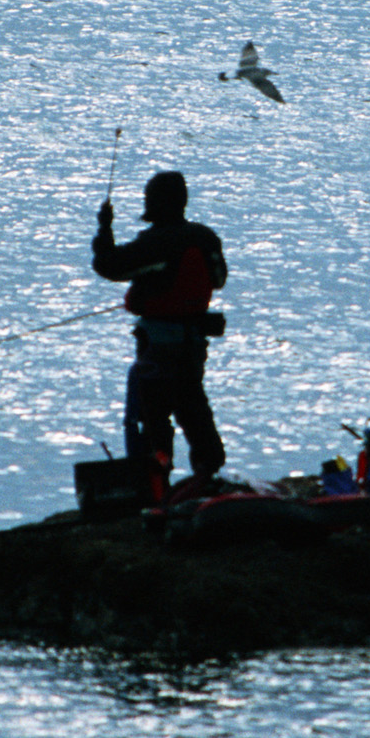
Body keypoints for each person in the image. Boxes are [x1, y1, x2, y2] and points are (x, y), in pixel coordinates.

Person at [92, 170, 229, 497]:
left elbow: (109, 266)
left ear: (152, 204)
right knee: (192, 405)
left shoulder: (154, 243)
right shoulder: (206, 238)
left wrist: (104, 228)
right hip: (194, 343)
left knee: (153, 417)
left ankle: (157, 482)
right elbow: (219, 278)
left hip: (157, 346)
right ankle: (206, 472)